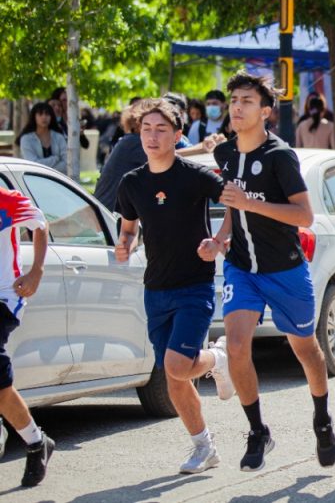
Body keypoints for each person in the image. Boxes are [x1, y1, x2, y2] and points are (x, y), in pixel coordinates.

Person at [210, 71, 335, 471]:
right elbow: (233, 203)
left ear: (265, 111)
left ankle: (321, 419)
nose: (236, 107)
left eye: (246, 101)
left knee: (306, 350)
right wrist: (221, 236)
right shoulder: (226, 154)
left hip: (285, 270)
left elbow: (304, 214)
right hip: (241, 268)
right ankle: (258, 431)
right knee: (234, 347)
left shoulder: (280, 156)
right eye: (234, 100)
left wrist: (252, 203)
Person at [114, 98, 235, 474]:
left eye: (161, 129)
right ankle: (204, 447)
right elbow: (130, 227)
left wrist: (219, 241)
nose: (152, 136)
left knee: (177, 365)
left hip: (194, 286)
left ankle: (218, 359)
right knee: (174, 378)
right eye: (146, 129)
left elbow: (233, 200)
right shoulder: (132, 182)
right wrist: (125, 244)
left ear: (178, 135)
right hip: (156, 288)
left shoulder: (193, 175)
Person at [0, 187, 51, 487]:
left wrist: (36, 272)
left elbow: (41, 226)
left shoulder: (8, 200)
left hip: (5, 296)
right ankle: (36, 442)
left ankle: (35, 443)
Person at [95, 100, 146, 211]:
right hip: (110, 212)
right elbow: (165, 161)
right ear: (138, 123)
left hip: (107, 208)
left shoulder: (130, 140)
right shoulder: (135, 142)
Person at [17, 102, 67, 174]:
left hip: (58, 181)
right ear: (34, 117)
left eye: (47, 114)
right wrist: (55, 159)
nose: (44, 117)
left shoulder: (59, 137)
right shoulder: (26, 139)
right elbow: (33, 165)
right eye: (40, 114)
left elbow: (66, 164)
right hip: (34, 180)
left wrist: (50, 173)